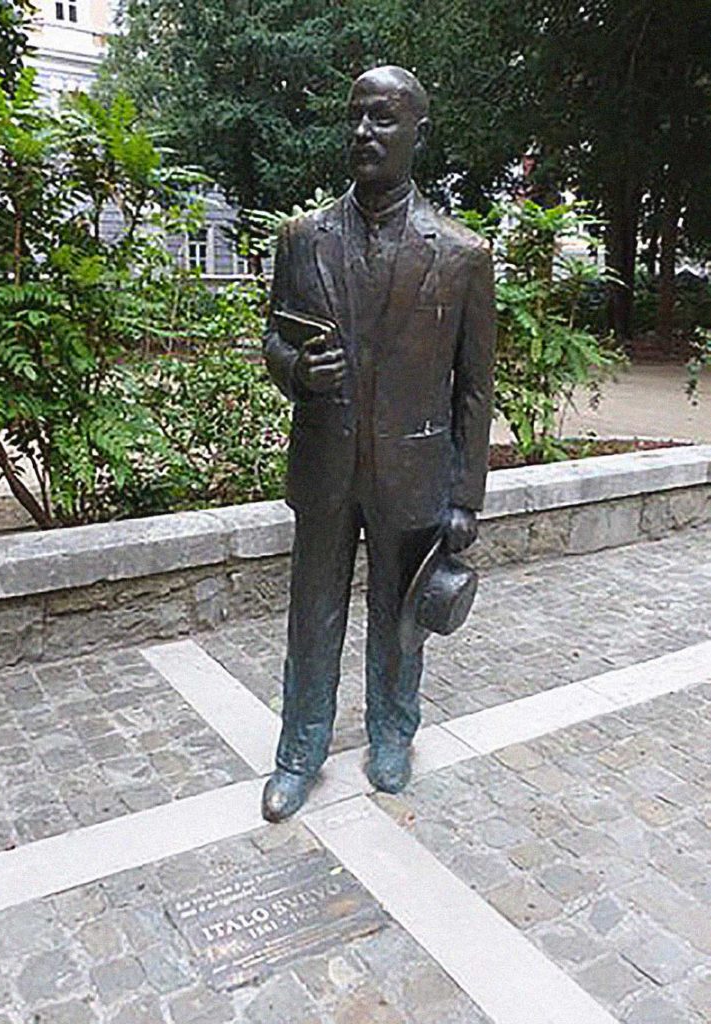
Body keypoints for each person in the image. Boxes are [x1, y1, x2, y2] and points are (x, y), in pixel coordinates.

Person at [262, 65, 496, 822]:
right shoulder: (302, 239)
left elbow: (473, 387)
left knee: (399, 618)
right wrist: (295, 366)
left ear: (416, 134)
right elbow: (273, 336)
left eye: (383, 119)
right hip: (324, 465)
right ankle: (298, 753)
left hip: (414, 470)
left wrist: (465, 497)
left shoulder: (462, 255)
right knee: (312, 616)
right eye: (356, 117)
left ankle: (392, 733)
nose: (364, 132)